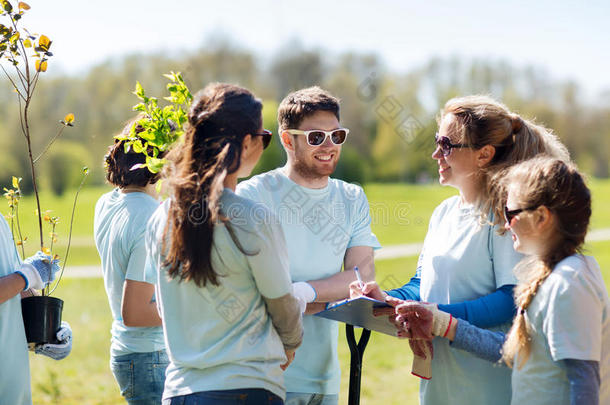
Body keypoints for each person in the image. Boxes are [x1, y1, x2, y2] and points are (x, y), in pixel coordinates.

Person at [351, 95, 570, 404]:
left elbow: (513, 298)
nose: (435, 153)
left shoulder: (507, 216)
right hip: (440, 381)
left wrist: (437, 318)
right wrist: (389, 299)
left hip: (488, 385)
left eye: (447, 145)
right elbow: (422, 284)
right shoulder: (443, 212)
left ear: (484, 155)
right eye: (437, 141)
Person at [393, 156, 609, 405]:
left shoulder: (569, 283)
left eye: (511, 213)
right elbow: (516, 351)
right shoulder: (550, 277)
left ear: (541, 217)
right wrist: (443, 324)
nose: (505, 225)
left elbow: (584, 381)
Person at [146, 82, 303, 405]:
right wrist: (290, 343)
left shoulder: (161, 218)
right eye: (264, 137)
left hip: (179, 391)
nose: (263, 145)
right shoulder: (252, 218)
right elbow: (281, 303)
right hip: (247, 387)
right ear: (246, 143)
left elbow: (163, 308)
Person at [237, 86, 381, 405]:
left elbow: (362, 280)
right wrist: (326, 296)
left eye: (337, 136)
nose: (329, 146)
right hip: (265, 375)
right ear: (288, 140)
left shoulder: (352, 197)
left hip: (325, 377)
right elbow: (248, 290)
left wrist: (303, 293)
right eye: (316, 137)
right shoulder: (253, 195)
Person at [94, 120, 168, 404]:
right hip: (150, 357)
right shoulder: (151, 218)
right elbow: (135, 313)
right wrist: (194, 308)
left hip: (128, 355)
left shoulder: (107, 202)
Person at [0, 227, 71, 404]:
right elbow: (21, 279)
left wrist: (48, 331)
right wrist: (28, 275)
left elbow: (14, 287)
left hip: (13, 382)